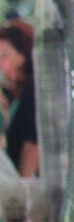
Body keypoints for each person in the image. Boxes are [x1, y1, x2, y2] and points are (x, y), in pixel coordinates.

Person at [0, 22, 38, 177]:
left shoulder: (31, 90)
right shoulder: (13, 94)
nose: (1, 64)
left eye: (4, 56)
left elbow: (33, 143)